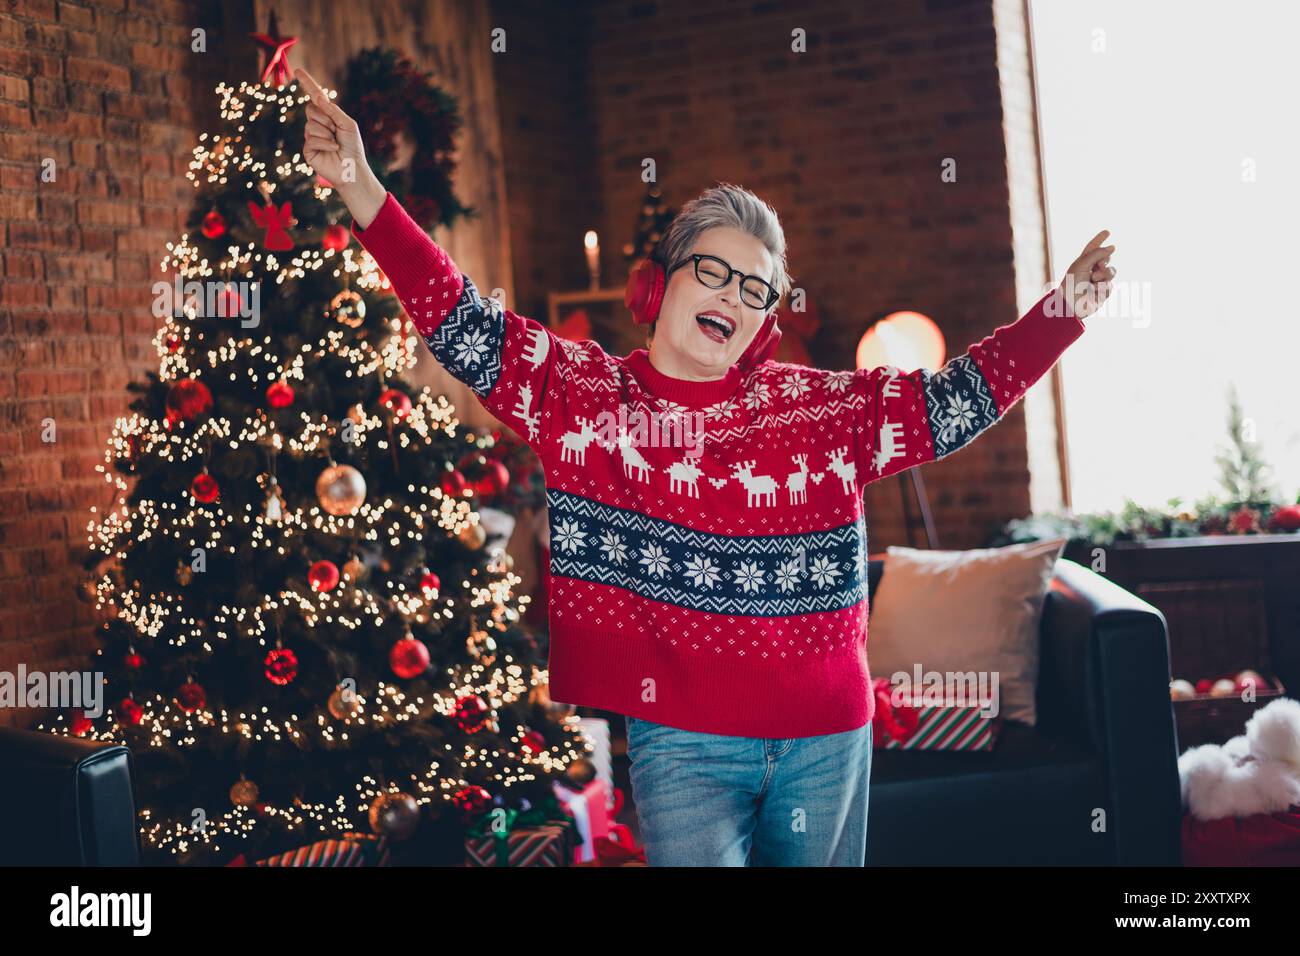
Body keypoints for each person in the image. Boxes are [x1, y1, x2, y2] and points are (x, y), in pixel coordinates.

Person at [295, 67, 1116, 866]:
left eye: (754, 290)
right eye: (712, 272)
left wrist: (1062, 314)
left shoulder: (821, 408)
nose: (729, 296)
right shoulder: (581, 394)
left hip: (828, 737)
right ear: (658, 286)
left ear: (763, 323)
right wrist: (364, 189)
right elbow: (461, 320)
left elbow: (955, 401)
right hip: (680, 743)